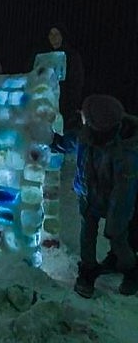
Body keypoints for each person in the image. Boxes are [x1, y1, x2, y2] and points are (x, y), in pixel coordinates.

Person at [72, 94, 138, 298]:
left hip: (112, 204)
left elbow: (123, 195)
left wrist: (115, 224)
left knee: (119, 240)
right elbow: (73, 142)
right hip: (89, 197)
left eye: (85, 118)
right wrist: (51, 141)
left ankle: (131, 270)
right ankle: (87, 270)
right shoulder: (89, 135)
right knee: (87, 235)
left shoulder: (126, 154)